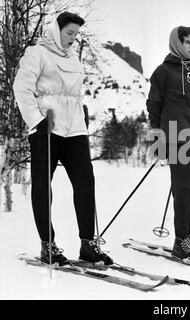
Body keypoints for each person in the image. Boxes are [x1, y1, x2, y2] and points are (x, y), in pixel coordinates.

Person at [13, 12, 113, 265]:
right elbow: (21, 88)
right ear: (57, 31)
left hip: (75, 129)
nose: (73, 38)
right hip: (47, 129)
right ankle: (48, 245)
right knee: (43, 186)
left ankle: (88, 244)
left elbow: (72, 94)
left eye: (76, 34)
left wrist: (82, 112)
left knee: (85, 183)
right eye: (69, 33)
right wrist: (36, 120)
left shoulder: (74, 59)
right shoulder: (37, 53)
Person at [147, 26, 190, 262]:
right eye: (186, 42)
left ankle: (187, 236)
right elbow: (154, 106)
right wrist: (158, 139)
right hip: (176, 135)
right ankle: (180, 240)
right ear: (176, 44)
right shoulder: (163, 72)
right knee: (182, 189)